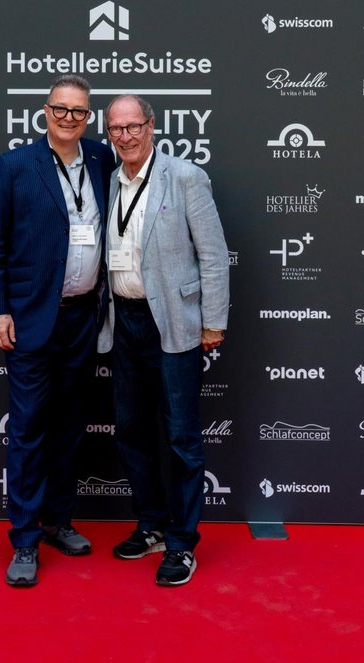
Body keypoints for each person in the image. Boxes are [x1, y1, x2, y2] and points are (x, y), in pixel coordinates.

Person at [0, 74, 115, 587]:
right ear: (45, 111)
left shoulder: (101, 159)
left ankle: (59, 521)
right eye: (60, 109)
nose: (68, 118)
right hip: (31, 318)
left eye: (78, 111)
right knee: (29, 428)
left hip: (83, 317)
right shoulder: (14, 166)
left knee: (70, 425)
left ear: (88, 117)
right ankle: (24, 539)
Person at [98, 95, 229, 586]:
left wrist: (212, 323)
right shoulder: (111, 180)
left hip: (174, 322)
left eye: (133, 126)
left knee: (181, 436)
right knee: (131, 430)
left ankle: (181, 542)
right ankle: (151, 523)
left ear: (151, 127)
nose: (125, 136)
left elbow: (213, 256)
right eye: (116, 129)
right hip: (124, 321)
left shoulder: (186, 177)